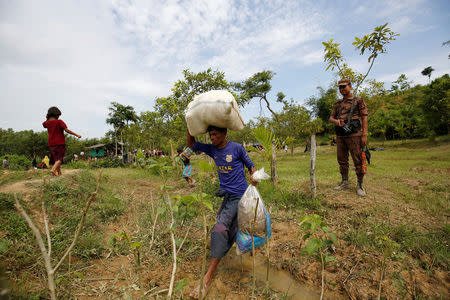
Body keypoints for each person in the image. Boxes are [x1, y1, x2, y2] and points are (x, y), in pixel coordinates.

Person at [187, 126, 257, 299]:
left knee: (219, 229)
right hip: (227, 197)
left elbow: (251, 166)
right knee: (233, 228)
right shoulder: (211, 149)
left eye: (215, 134)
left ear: (225, 134)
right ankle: (244, 253)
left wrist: (253, 176)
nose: (212, 137)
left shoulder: (237, 148)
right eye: (210, 134)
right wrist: (190, 126)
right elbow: (192, 144)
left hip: (240, 197)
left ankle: (207, 278)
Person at [329, 79, 368, 196]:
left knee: (358, 159)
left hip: (355, 135)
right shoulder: (338, 103)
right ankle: (344, 182)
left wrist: (364, 134)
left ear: (350, 86)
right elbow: (331, 117)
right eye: (340, 87)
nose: (341, 89)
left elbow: (364, 117)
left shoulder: (358, 100)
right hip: (341, 135)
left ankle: (360, 184)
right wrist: (337, 122)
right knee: (342, 159)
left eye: (344, 87)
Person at [43, 106, 81, 176]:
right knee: (60, 159)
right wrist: (76, 135)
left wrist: (47, 118)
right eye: (58, 115)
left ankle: (59, 173)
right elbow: (66, 130)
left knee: (56, 160)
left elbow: (44, 124)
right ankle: (53, 169)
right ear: (56, 115)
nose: (58, 117)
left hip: (51, 144)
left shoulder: (46, 123)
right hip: (60, 143)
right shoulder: (59, 122)